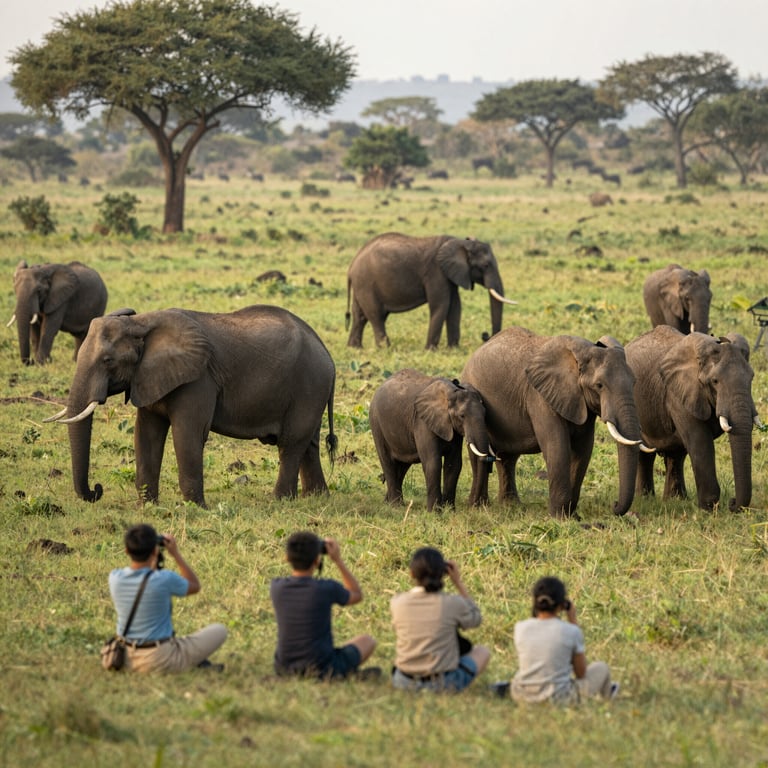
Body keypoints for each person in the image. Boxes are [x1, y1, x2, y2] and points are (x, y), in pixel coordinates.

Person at [108, 523, 227, 673]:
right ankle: (186, 663)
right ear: (155, 550)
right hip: (159, 657)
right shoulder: (164, 579)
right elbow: (195, 586)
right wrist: (175, 554)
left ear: (126, 550)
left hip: (125, 657)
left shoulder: (115, 577)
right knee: (219, 630)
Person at [270, 531, 379, 680]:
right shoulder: (326, 588)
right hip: (323, 667)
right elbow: (356, 594)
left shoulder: (277, 587)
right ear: (317, 561)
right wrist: (338, 560)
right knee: (368, 641)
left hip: (284, 667)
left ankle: (344, 674)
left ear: (287, 558)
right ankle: (342, 675)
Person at [390, 546, 491, 692]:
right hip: (442, 683)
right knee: (482, 652)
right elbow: (476, 618)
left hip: (403, 680)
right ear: (445, 572)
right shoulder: (452, 603)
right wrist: (458, 583)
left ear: (411, 573)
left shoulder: (397, 602)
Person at [510, 576, 618, 705]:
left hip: (522, 695)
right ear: (562, 604)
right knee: (602, 668)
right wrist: (572, 619)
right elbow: (581, 674)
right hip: (559, 698)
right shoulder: (571, 631)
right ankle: (607, 702)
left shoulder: (520, 628)